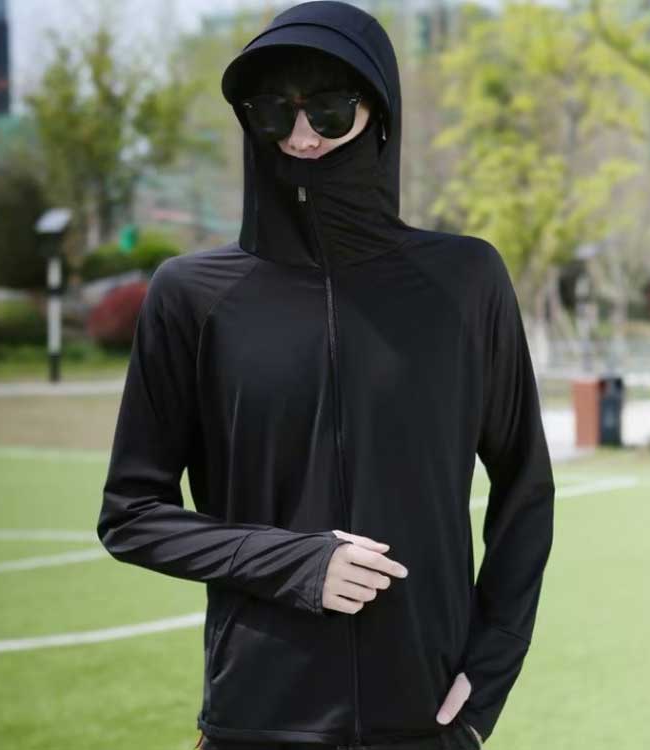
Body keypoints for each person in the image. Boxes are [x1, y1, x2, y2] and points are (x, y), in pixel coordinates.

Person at [96, 3, 555, 750]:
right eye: (274, 112)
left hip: (427, 716)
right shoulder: (192, 296)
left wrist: (492, 670)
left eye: (330, 110)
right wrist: (296, 562)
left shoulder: (465, 281)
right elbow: (131, 514)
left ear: (378, 115)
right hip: (255, 718)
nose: (302, 136)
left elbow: (524, 485)